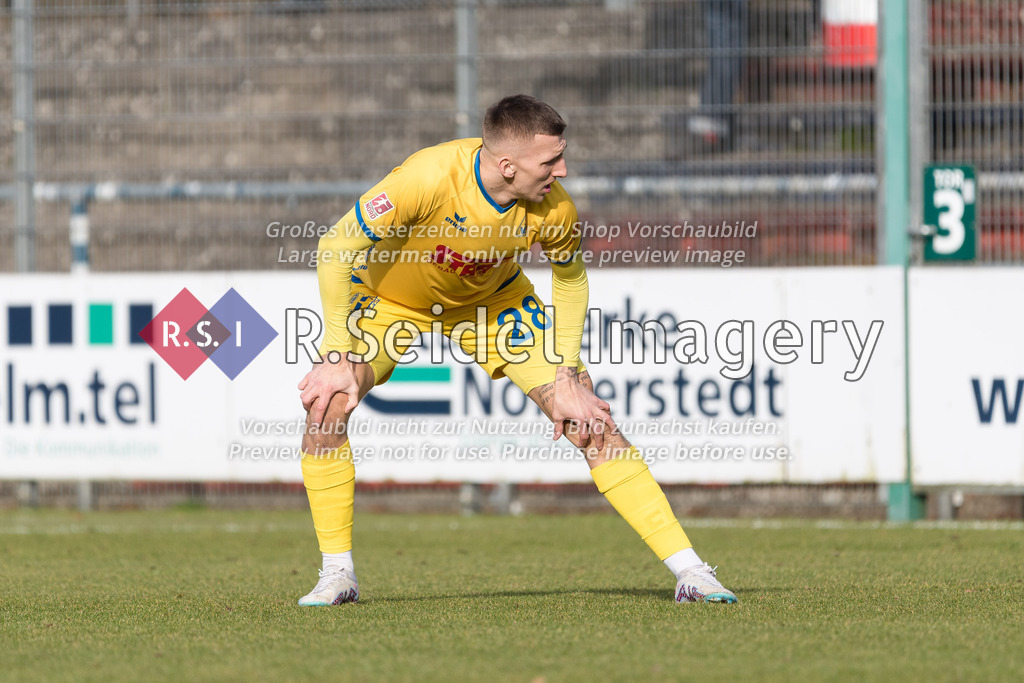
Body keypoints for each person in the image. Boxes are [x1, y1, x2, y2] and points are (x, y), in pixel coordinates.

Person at [296, 94, 738, 606]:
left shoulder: (554, 208)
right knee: (325, 406)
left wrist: (569, 372)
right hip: (388, 299)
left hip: (494, 307)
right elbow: (335, 247)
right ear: (507, 166)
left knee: (588, 418)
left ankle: (693, 573)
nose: (563, 170)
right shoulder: (428, 176)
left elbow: (570, 282)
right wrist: (334, 356)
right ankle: (338, 577)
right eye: (550, 161)